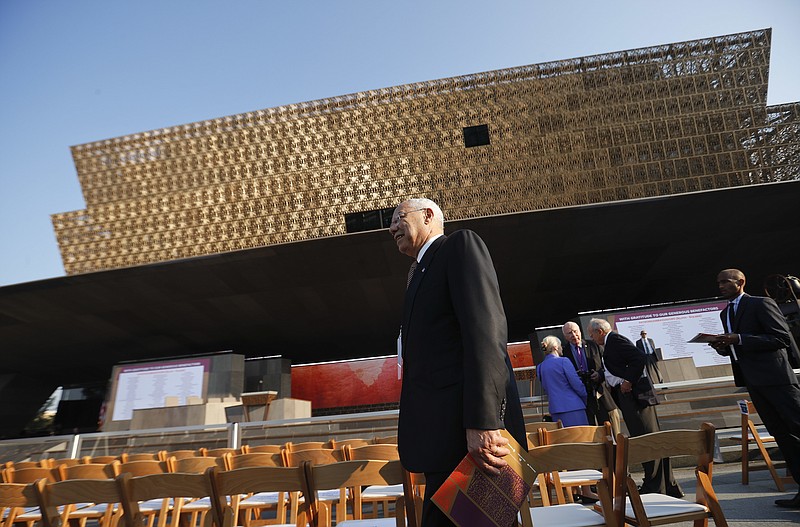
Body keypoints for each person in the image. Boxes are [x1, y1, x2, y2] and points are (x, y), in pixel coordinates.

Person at [389, 197, 527, 527]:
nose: (391, 227)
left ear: (428, 215)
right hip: (442, 443)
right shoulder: (418, 271)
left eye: (398, 217)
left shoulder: (458, 247)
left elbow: (486, 335)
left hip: (469, 441)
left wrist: (483, 421)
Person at [709, 268, 800, 508]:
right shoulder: (725, 313)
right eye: (718, 282)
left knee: (797, 428)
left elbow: (781, 338)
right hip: (753, 381)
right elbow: (737, 346)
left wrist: (739, 339)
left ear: (740, 282)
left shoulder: (761, 303)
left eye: (725, 282)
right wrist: (722, 346)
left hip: (777, 379)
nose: (720, 286)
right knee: (783, 436)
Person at [587, 317, 683, 498]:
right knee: (650, 439)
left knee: (646, 441)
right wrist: (600, 375)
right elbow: (617, 366)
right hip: (630, 398)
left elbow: (638, 358)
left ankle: (655, 487)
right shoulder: (610, 343)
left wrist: (628, 381)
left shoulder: (614, 340)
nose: (591, 339)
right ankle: (667, 485)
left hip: (636, 398)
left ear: (599, 331)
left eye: (591, 335)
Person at [562, 321, 621, 435]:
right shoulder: (564, 353)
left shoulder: (594, 345)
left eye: (575, 331)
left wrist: (599, 374)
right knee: (589, 432)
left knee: (612, 428)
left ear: (580, 331)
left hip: (601, 392)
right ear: (565, 336)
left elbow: (608, 364)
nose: (574, 335)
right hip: (581, 396)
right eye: (569, 333)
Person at [537, 336, 588, 426]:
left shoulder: (540, 367)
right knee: (582, 438)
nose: (562, 348)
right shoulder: (564, 361)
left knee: (564, 439)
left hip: (555, 409)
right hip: (574, 407)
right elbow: (577, 385)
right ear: (556, 347)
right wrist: (585, 398)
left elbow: (546, 388)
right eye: (560, 345)